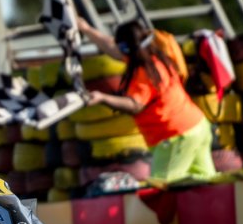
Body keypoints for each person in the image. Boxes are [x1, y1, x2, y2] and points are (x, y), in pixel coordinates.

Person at [78, 18, 216, 182]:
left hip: (176, 137)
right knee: (208, 185)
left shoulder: (144, 72)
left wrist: (102, 97)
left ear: (126, 48)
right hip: (197, 126)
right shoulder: (156, 55)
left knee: (161, 190)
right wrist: (86, 29)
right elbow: (112, 47)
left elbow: (135, 105)